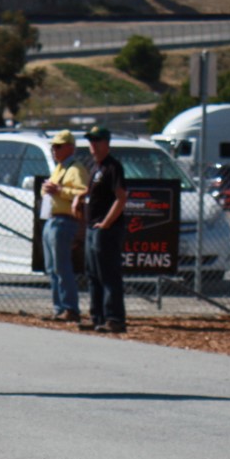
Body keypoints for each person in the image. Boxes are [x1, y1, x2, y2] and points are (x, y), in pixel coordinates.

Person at [75, 125, 127, 335]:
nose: (93, 145)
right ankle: (97, 318)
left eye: (97, 141)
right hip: (92, 227)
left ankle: (114, 319)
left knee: (108, 274)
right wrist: (80, 197)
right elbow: (92, 192)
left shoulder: (113, 167)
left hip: (106, 230)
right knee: (93, 274)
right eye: (91, 141)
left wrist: (106, 223)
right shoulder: (96, 167)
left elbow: (121, 197)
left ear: (107, 143)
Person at [41, 128, 89, 324]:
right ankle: (59, 308)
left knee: (62, 267)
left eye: (59, 146)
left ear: (70, 147)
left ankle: (70, 308)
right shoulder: (59, 168)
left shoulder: (76, 169)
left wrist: (59, 190)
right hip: (51, 220)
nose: (54, 150)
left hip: (64, 221)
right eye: (53, 147)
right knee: (51, 268)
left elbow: (83, 192)